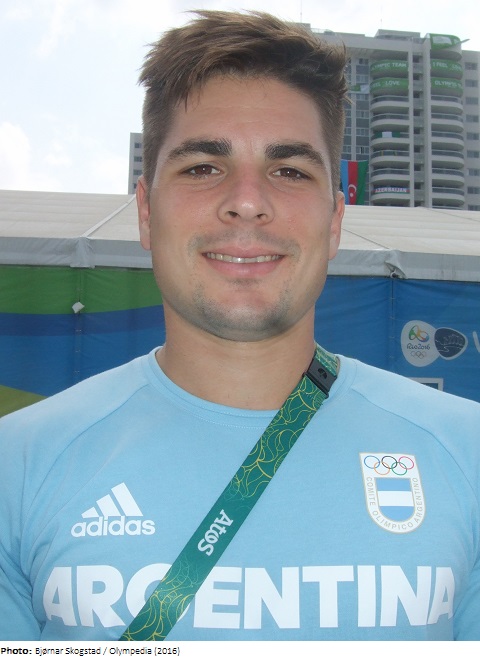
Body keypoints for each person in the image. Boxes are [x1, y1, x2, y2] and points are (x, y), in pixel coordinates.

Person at [0, 10, 479, 643]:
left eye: (290, 170)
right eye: (203, 166)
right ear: (145, 213)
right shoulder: (17, 465)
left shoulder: (467, 453)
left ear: (335, 221)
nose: (248, 200)